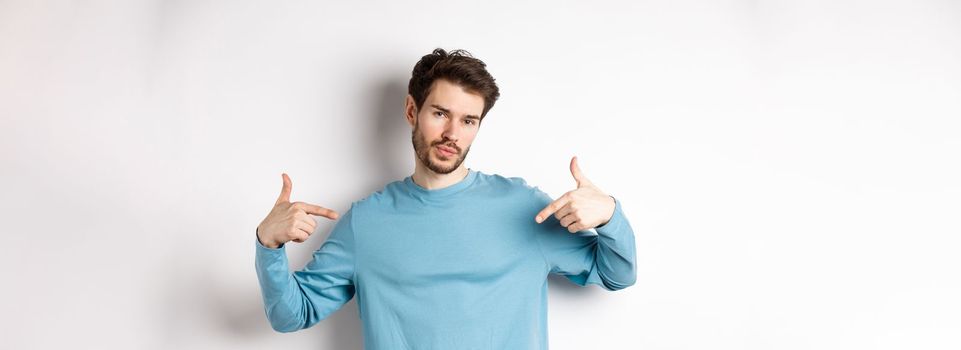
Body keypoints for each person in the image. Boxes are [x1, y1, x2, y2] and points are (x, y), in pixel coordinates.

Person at [254, 48, 637, 349]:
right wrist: (268, 245)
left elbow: (617, 274)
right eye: (440, 113)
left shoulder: (523, 207)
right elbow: (292, 315)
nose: (453, 133)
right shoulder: (367, 222)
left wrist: (609, 216)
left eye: (469, 121)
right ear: (411, 110)